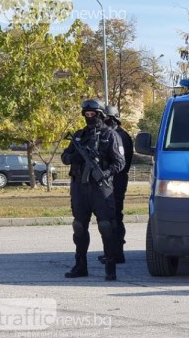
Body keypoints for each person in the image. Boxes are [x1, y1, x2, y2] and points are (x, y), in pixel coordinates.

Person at [61, 99, 125, 281]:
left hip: (101, 188)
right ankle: (80, 266)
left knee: (106, 227)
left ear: (101, 115)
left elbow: (119, 162)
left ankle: (110, 268)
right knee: (79, 227)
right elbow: (64, 157)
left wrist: (105, 173)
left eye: (93, 114)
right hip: (80, 188)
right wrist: (76, 157)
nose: (90, 117)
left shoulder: (110, 135)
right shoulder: (79, 136)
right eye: (87, 114)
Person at [98, 105, 134, 265]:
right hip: (111, 180)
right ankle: (112, 251)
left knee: (114, 216)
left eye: (104, 118)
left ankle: (117, 252)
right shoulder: (111, 134)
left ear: (111, 119)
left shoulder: (121, 136)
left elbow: (121, 163)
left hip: (117, 180)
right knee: (110, 215)